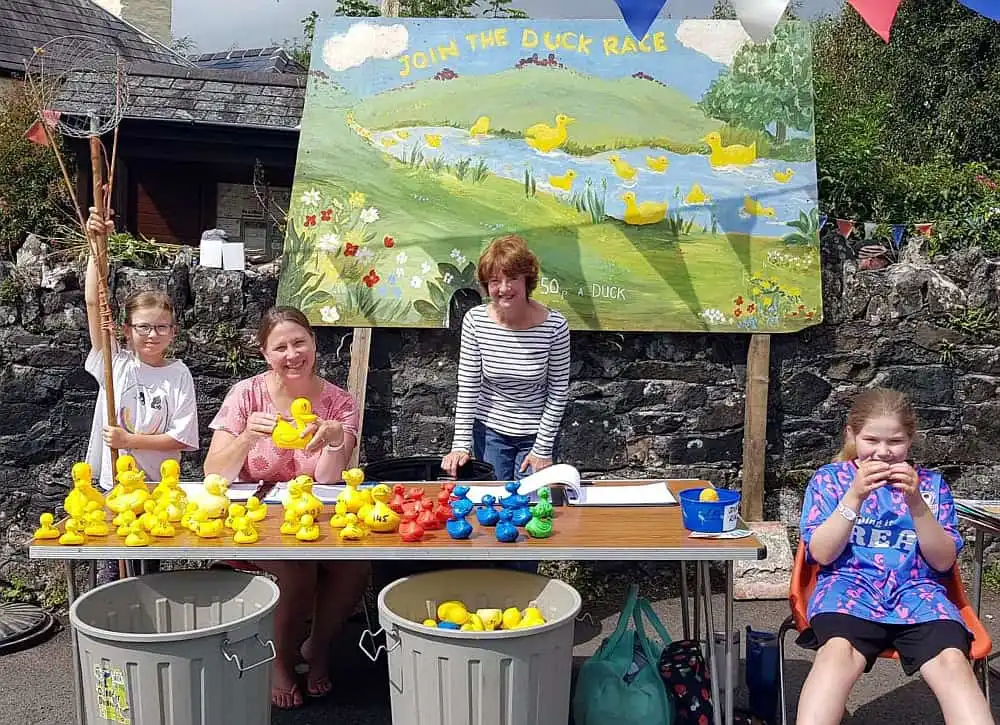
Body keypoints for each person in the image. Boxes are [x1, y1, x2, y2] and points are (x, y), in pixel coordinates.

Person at [203, 305, 370, 710]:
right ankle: (279, 662)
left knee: (355, 567)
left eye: (300, 343)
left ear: (314, 343)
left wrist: (334, 439)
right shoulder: (247, 395)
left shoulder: (338, 401)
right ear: (265, 353)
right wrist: (245, 437)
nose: (292, 354)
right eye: (281, 347)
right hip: (256, 517)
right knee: (297, 569)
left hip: (316, 515)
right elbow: (214, 472)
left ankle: (318, 649)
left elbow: (329, 479)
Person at [795, 388, 992, 725]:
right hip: (849, 589)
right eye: (871, 440)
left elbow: (943, 562)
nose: (883, 453)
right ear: (852, 435)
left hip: (918, 594)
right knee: (837, 653)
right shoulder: (829, 480)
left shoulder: (931, 485)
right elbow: (822, 554)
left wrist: (916, 503)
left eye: (895, 442)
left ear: (910, 440)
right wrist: (854, 497)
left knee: (952, 662)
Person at [84, 208, 199, 581]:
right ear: (126, 329)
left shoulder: (178, 374)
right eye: (143, 327)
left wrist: (128, 439)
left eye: (161, 327)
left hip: (155, 490)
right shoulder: (114, 365)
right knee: (108, 571)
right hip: (110, 487)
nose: (152, 335)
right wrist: (97, 246)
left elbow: (181, 438)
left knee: (147, 573)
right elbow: (92, 301)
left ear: (173, 331)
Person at [441, 234, 571, 482]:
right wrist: (460, 445)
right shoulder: (475, 322)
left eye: (512, 279)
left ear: (527, 281)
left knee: (532, 504)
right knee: (493, 499)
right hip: (490, 432)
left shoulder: (555, 326)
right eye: (494, 281)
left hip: (536, 433)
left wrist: (542, 448)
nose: (503, 288)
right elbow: (468, 386)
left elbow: (557, 391)